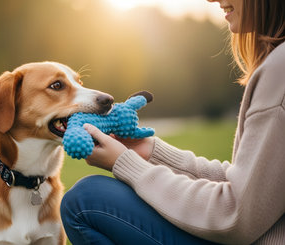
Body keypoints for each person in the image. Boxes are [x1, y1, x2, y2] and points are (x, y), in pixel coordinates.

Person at [60, 0, 285, 244]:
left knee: (85, 201)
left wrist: (125, 164)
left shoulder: (279, 69)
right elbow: (250, 188)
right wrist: (153, 152)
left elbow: (235, 215)